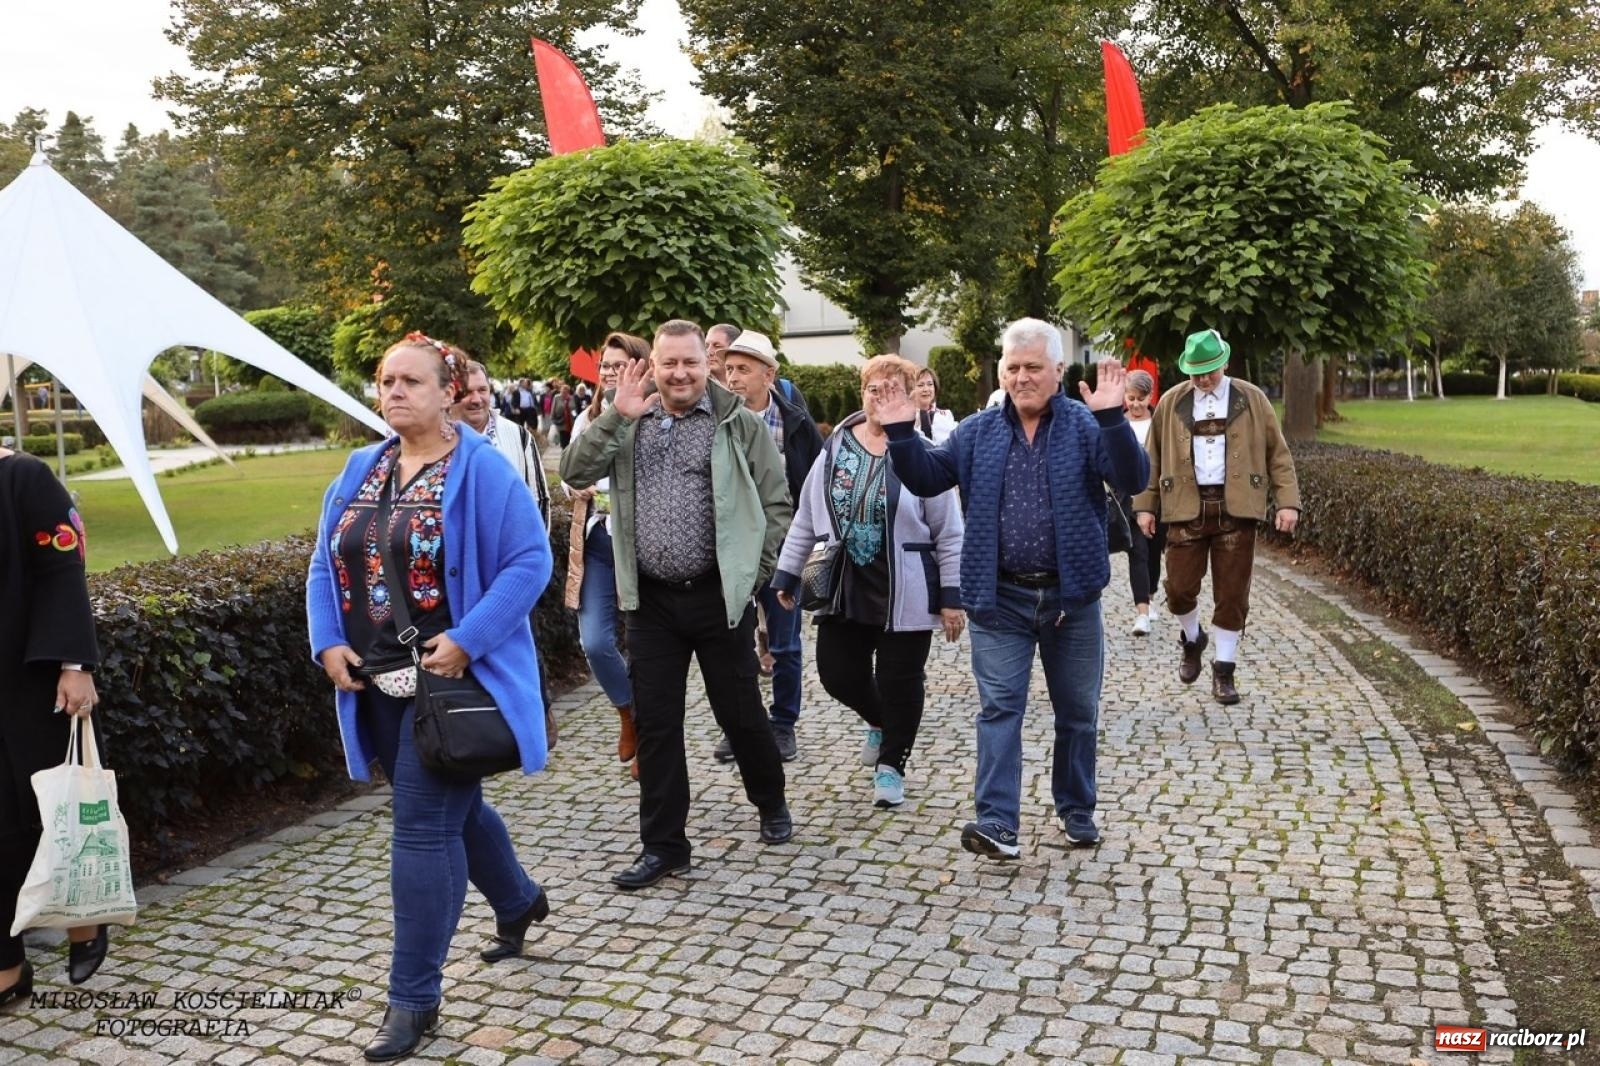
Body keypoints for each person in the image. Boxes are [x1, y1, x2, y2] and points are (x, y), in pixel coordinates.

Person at [306, 333, 553, 1061]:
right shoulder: (360, 467)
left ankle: (413, 1001)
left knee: (420, 828)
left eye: (411, 381)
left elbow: (529, 560)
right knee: (456, 808)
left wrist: (469, 638)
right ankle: (518, 901)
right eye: (385, 381)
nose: (394, 391)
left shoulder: (480, 471)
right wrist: (327, 641)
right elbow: (325, 562)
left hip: (450, 683)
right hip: (375, 685)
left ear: (451, 392)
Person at [876, 318, 1148, 859]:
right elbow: (931, 477)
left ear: (1058, 372)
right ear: (1002, 371)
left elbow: (1132, 477)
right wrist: (903, 434)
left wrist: (1114, 419)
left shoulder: (1085, 426)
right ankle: (997, 821)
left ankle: (1076, 809)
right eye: (1013, 367)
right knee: (1000, 708)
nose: (1022, 377)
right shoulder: (978, 431)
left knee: (1077, 712)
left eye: (1033, 367)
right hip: (999, 599)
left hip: (1073, 601)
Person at [560, 320, 795, 891]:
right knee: (657, 724)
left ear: (705, 364)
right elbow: (575, 473)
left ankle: (770, 799)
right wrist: (618, 415)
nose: (681, 373)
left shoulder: (736, 421)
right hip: (651, 602)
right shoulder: (626, 419)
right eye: (670, 364)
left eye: (691, 362)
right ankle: (665, 846)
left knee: (738, 712)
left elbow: (777, 502)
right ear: (654, 366)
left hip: (718, 597)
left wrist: (752, 574)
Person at [772, 355, 965, 808]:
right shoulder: (834, 448)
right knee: (836, 673)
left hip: (908, 590)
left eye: (891, 389)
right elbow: (805, 515)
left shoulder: (924, 456)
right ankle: (882, 722)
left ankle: (892, 766)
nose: (880, 398)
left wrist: (952, 597)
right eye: (872, 390)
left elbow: (950, 532)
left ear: (911, 396)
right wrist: (787, 573)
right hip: (844, 586)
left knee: (902, 679)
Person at [1132, 329, 1300, 704]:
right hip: (1184, 507)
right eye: (1196, 372)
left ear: (1224, 362)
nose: (1204, 379)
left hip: (1237, 507)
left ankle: (1224, 672)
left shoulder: (1252, 399)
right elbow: (1151, 457)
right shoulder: (1172, 402)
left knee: (1232, 594)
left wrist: (1287, 502)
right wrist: (1145, 505)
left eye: (1209, 371)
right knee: (1177, 590)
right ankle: (1192, 639)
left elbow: (1279, 454)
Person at [1, 446, 107, 1007]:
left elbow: (63, 570)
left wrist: (75, 664)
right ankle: (9, 966)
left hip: (32, 681)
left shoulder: (24, 477)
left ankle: (85, 919)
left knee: (54, 814)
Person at [713, 329, 824, 764]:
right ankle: (738, 725)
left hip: (784, 546)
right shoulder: (717, 420)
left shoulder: (795, 423)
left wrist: (812, 544)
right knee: (731, 643)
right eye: (730, 369)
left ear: (770, 375)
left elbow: (815, 482)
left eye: (744, 369)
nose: (734, 378)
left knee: (785, 643)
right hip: (730, 551)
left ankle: (782, 725)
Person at [451, 359, 558, 746]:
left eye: (483, 390)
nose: (477, 399)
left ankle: (536, 716)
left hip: (511, 570)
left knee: (523, 640)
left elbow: (540, 499)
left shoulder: (516, 436)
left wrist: (530, 561)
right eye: (467, 392)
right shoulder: (440, 440)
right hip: (458, 572)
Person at [566, 332, 653, 778]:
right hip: (597, 543)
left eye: (620, 365)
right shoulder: (588, 417)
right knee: (596, 643)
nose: (610, 373)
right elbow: (570, 470)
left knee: (644, 648)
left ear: (640, 368)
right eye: (605, 367)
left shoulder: (652, 417)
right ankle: (627, 712)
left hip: (640, 547)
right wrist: (576, 486)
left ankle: (649, 743)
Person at [1121, 369, 1161, 636]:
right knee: (1138, 553)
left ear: (1150, 397)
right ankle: (1142, 613)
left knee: (1154, 553)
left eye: (1141, 398)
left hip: (1159, 499)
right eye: (1131, 398)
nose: (1135, 404)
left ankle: (1150, 593)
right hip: (1127, 500)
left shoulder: (1160, 423)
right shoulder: (1118, 424)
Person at [913, 366, 958, 444]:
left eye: (930, 384)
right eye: (920, 385)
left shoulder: (946, 416)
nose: (926, 389)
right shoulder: (906, 419)